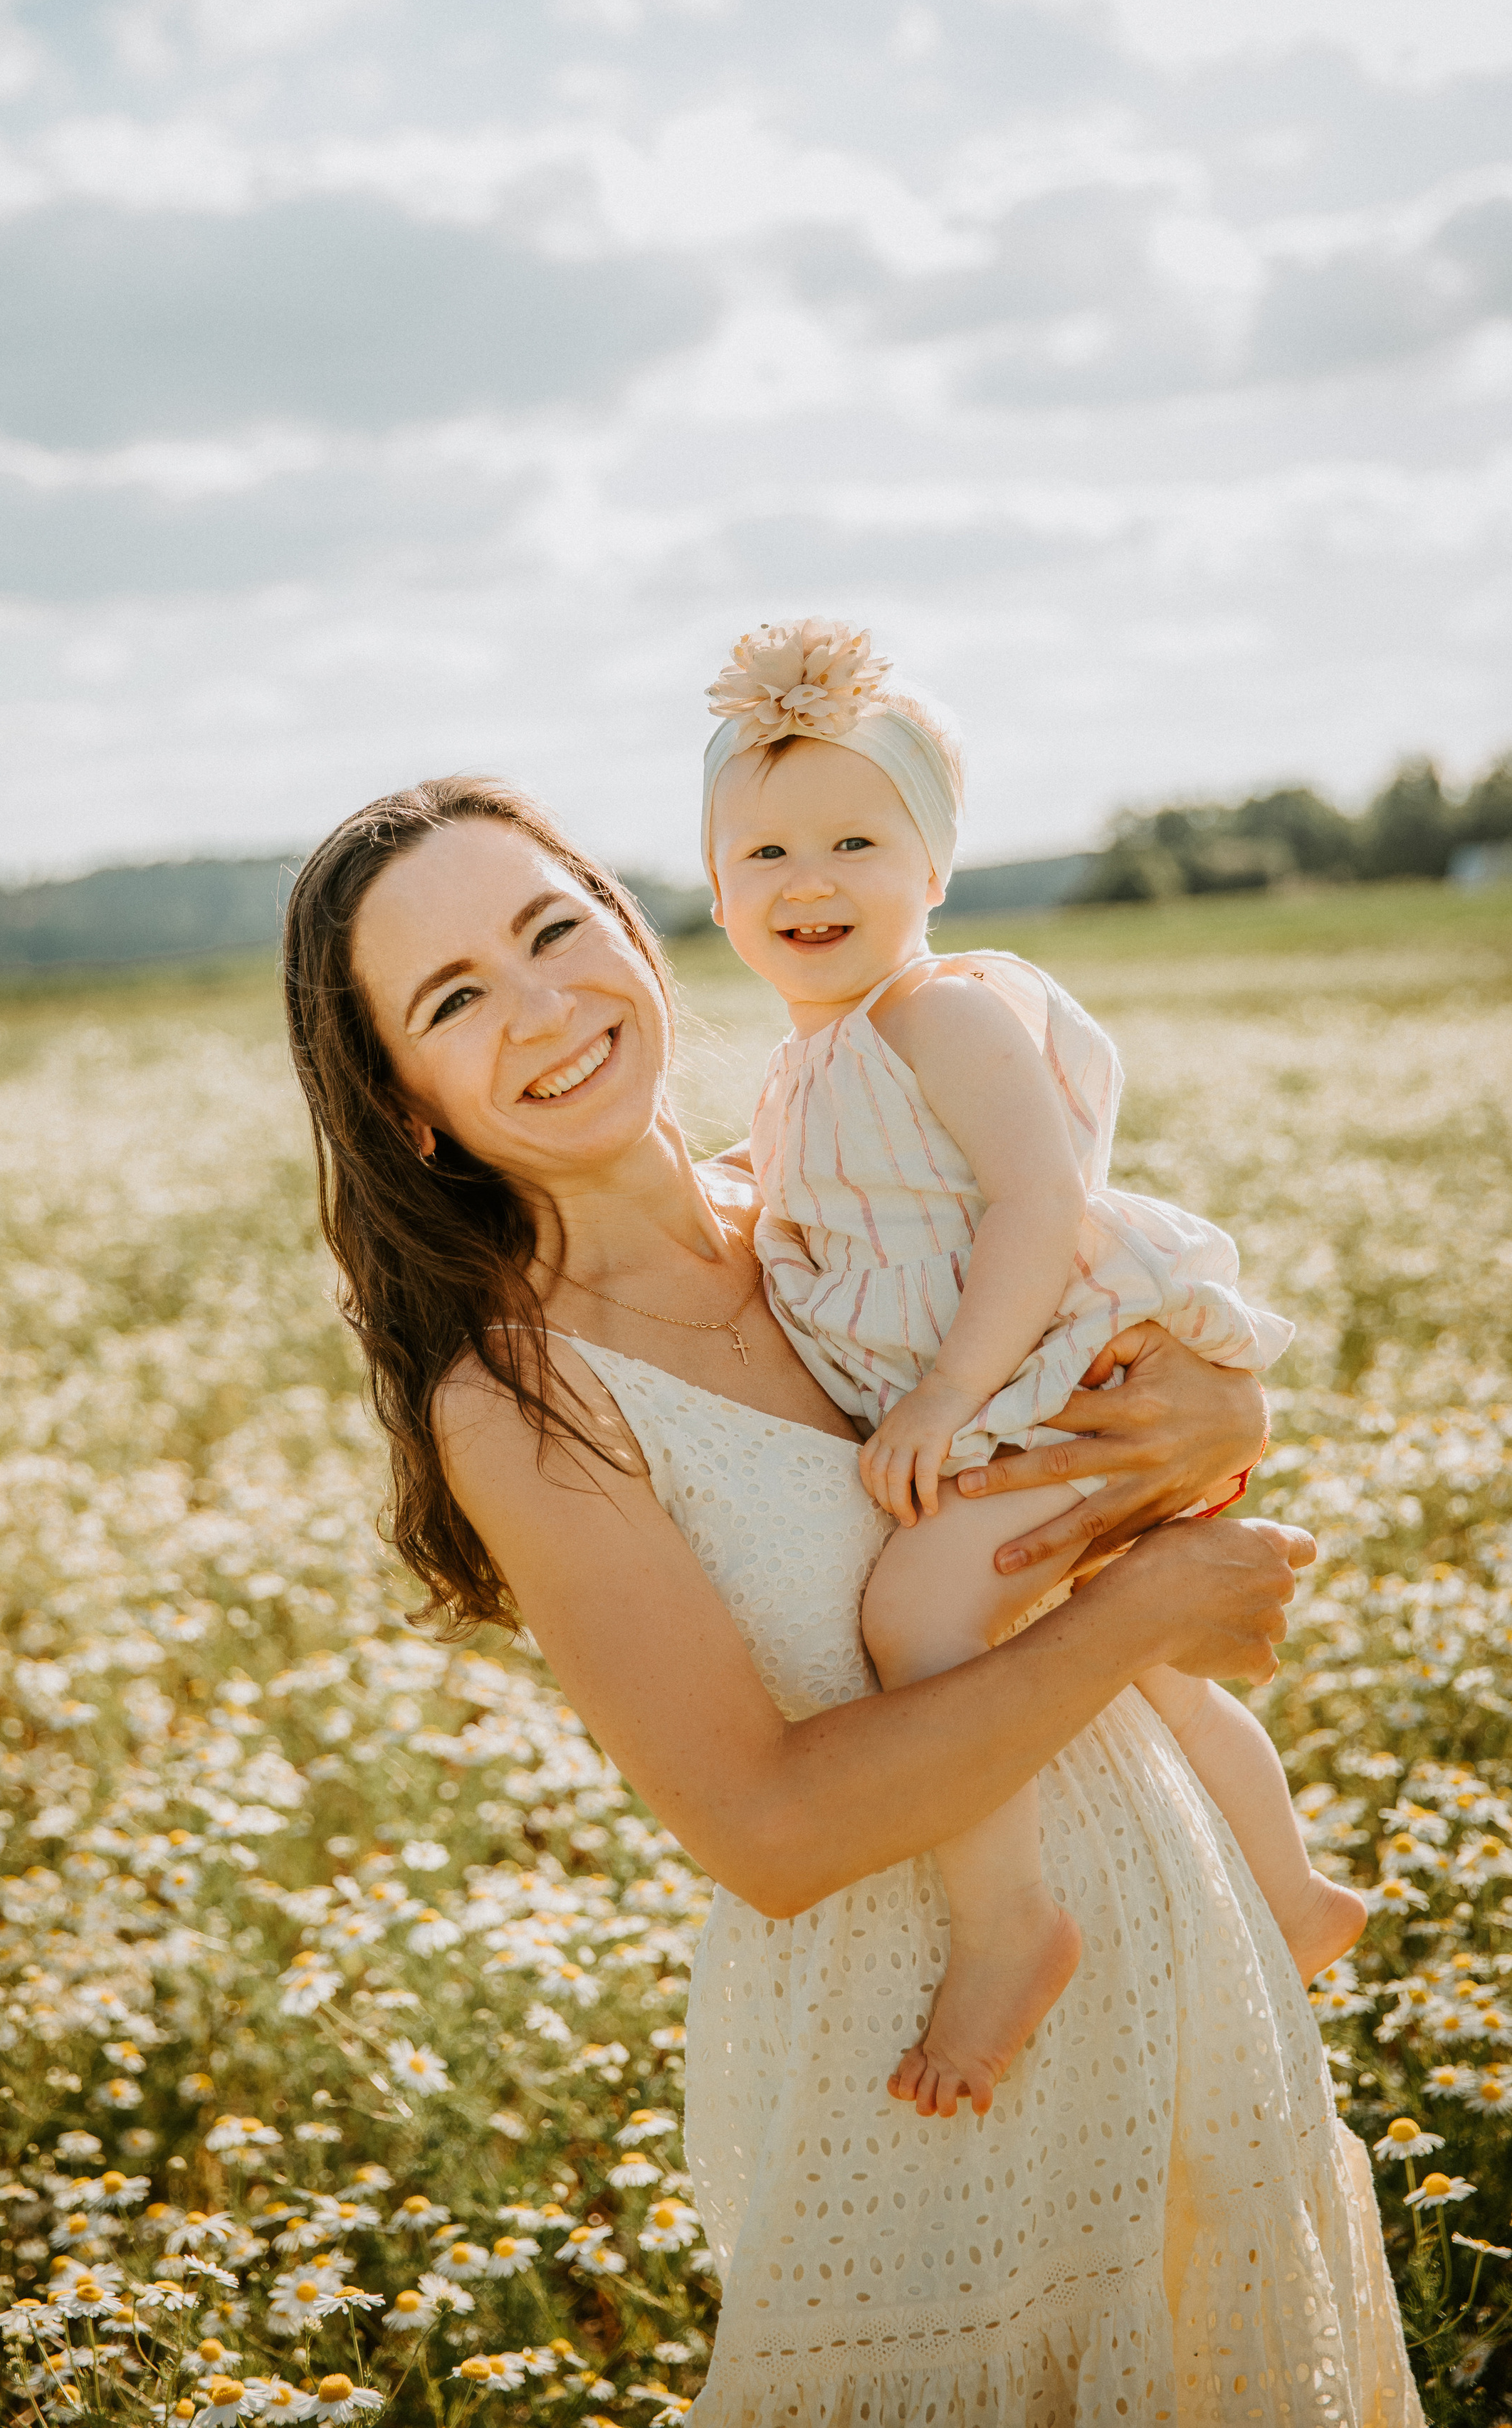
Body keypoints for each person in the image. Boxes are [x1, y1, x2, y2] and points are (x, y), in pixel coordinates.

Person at [283, 774, 1422, 2428]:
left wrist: (1218, 1426)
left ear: (634, 934)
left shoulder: (841, 1211)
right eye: (455, 999)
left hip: (1185, 1984)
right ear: (404, 1106)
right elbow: (767, 1829)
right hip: (923, 2072)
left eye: (553, 929)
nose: (541, 1006)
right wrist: (1149, 1601)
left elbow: (1087, 1364)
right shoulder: (520, 1401)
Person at [700, 619, 1367, 2120]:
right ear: (718, 888)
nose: (807, 882)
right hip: (991, 1394)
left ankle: (1010, 1925)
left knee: (921, 1606)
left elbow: (1034, 1201)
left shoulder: (940, 1010)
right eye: (762, 856)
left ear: (930, 869)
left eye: (855, 840)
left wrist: (942, 1396)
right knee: (1113, 1647)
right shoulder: (807, 1054)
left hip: (1032, 1381)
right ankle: (1288, 1881)